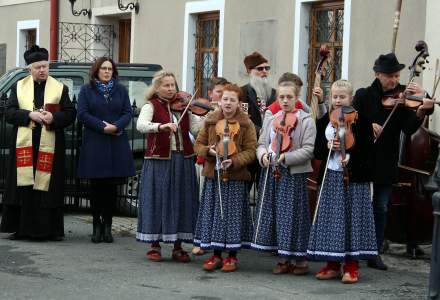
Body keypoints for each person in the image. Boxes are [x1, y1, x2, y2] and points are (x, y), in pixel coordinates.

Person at [353, 53, 434, 270]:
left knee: (380, 207)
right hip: (362, 161)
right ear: (378, 74)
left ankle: (374, 252)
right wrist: (367, 126)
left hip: (386, 163)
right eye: (390, 76)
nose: (395, 80)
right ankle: (355, 249)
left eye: (397, 76)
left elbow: (409, 129)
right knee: (360, 207)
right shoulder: (363, 95)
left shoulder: (400, 101)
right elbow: (350, 118)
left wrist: (422, 109)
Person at [0, 45, 76, 241]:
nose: (42, 70)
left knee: (47, 186)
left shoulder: (60, 88)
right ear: (29, 69)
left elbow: (70, 114)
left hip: (50, 144)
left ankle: (49, 230)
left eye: (45, 66)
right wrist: (29, 115)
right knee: (24, 186)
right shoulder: (19, 87)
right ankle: (21, 229)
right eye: (38, 67)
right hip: (24, 144)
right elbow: (8, 113)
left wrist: (54, 118)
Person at [307, 80, 378, 284]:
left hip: (353, 178)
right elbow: (317, 152)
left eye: (342, 97)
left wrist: (351, 157)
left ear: (351, 98)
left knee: (351, 220)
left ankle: (352, 266)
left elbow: (367, 151)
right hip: (330, 176)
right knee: (331, 220)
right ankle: (332, 264)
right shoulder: (324, 122)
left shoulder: (362, 121)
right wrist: (328, 145)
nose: (338, 100)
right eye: (335, 97)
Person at [251, 81, 316, 275]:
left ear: (297, 98)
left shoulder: (306, 120)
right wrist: (263, 156)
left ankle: (300, 259)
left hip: (293, 174)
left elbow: (308, 150)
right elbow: (262, 142)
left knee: (293, 216)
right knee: (276, 215)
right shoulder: (272, 118)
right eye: (281, 97)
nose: (285, 101)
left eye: (289, 97)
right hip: (272, 172)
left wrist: (286, 157)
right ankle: (283, 257)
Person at [136, 70, 200, 263]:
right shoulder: (151, 105)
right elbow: (141, 125)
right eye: (167, 85)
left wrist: (211, 119)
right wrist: (160, 127)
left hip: (184, 159)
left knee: (182, 200)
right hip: (159, 161)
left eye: (173, 85)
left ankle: (178, 246)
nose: (171, 89)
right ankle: (154, 245)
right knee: (159, 200)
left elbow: (196, 129)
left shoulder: (184, 107)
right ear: (157, 87)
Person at [193, 84, 256, 272]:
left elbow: (251, 150)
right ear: (220, 101)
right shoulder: (211, 120)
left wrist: (235, 161)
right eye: (225, 99)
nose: (228, 103)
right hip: (214, 175)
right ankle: (216, 254)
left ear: (238, 103)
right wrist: (210, 151)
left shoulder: (246, 123)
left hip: (236, 177)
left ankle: (232, 256)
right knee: (215, 215)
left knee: (232, 217)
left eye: (232, 100)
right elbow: (198, 144)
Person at [77, 57, 135, 243]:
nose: (107, 71)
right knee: (96, 189)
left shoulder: (121, 90)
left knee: (111, 189)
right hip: (95, 142)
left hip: (115, 142)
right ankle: (96, 226)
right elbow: (82, 114)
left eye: (110, 69)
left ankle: (108, 227)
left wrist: (115, 126)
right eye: (103, 68)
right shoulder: (87, 90)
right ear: (96, 70)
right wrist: (102, 127)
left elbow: (128, 112)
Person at [193, 76, 230, 256]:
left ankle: (220, 241)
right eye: (219, 93)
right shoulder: (205, 112)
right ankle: (202, 241)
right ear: (210, 94)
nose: (223, 97)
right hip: (205, 163)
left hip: (226, 165)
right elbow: (197, 135)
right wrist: (207, 118)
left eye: (226, 94)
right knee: (205, 203)